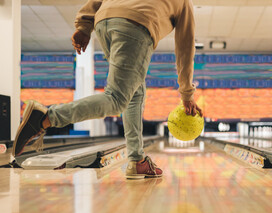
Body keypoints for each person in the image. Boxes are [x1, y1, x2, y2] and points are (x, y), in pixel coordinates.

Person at [12, 0, 203, 179]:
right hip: (137, 24)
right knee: (117, 99)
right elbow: (185, 49)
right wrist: (187, 94)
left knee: (134, 93)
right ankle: (46, 117)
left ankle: (137, 160)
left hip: (105, 21)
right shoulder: (184, 3)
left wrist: (84, 25)